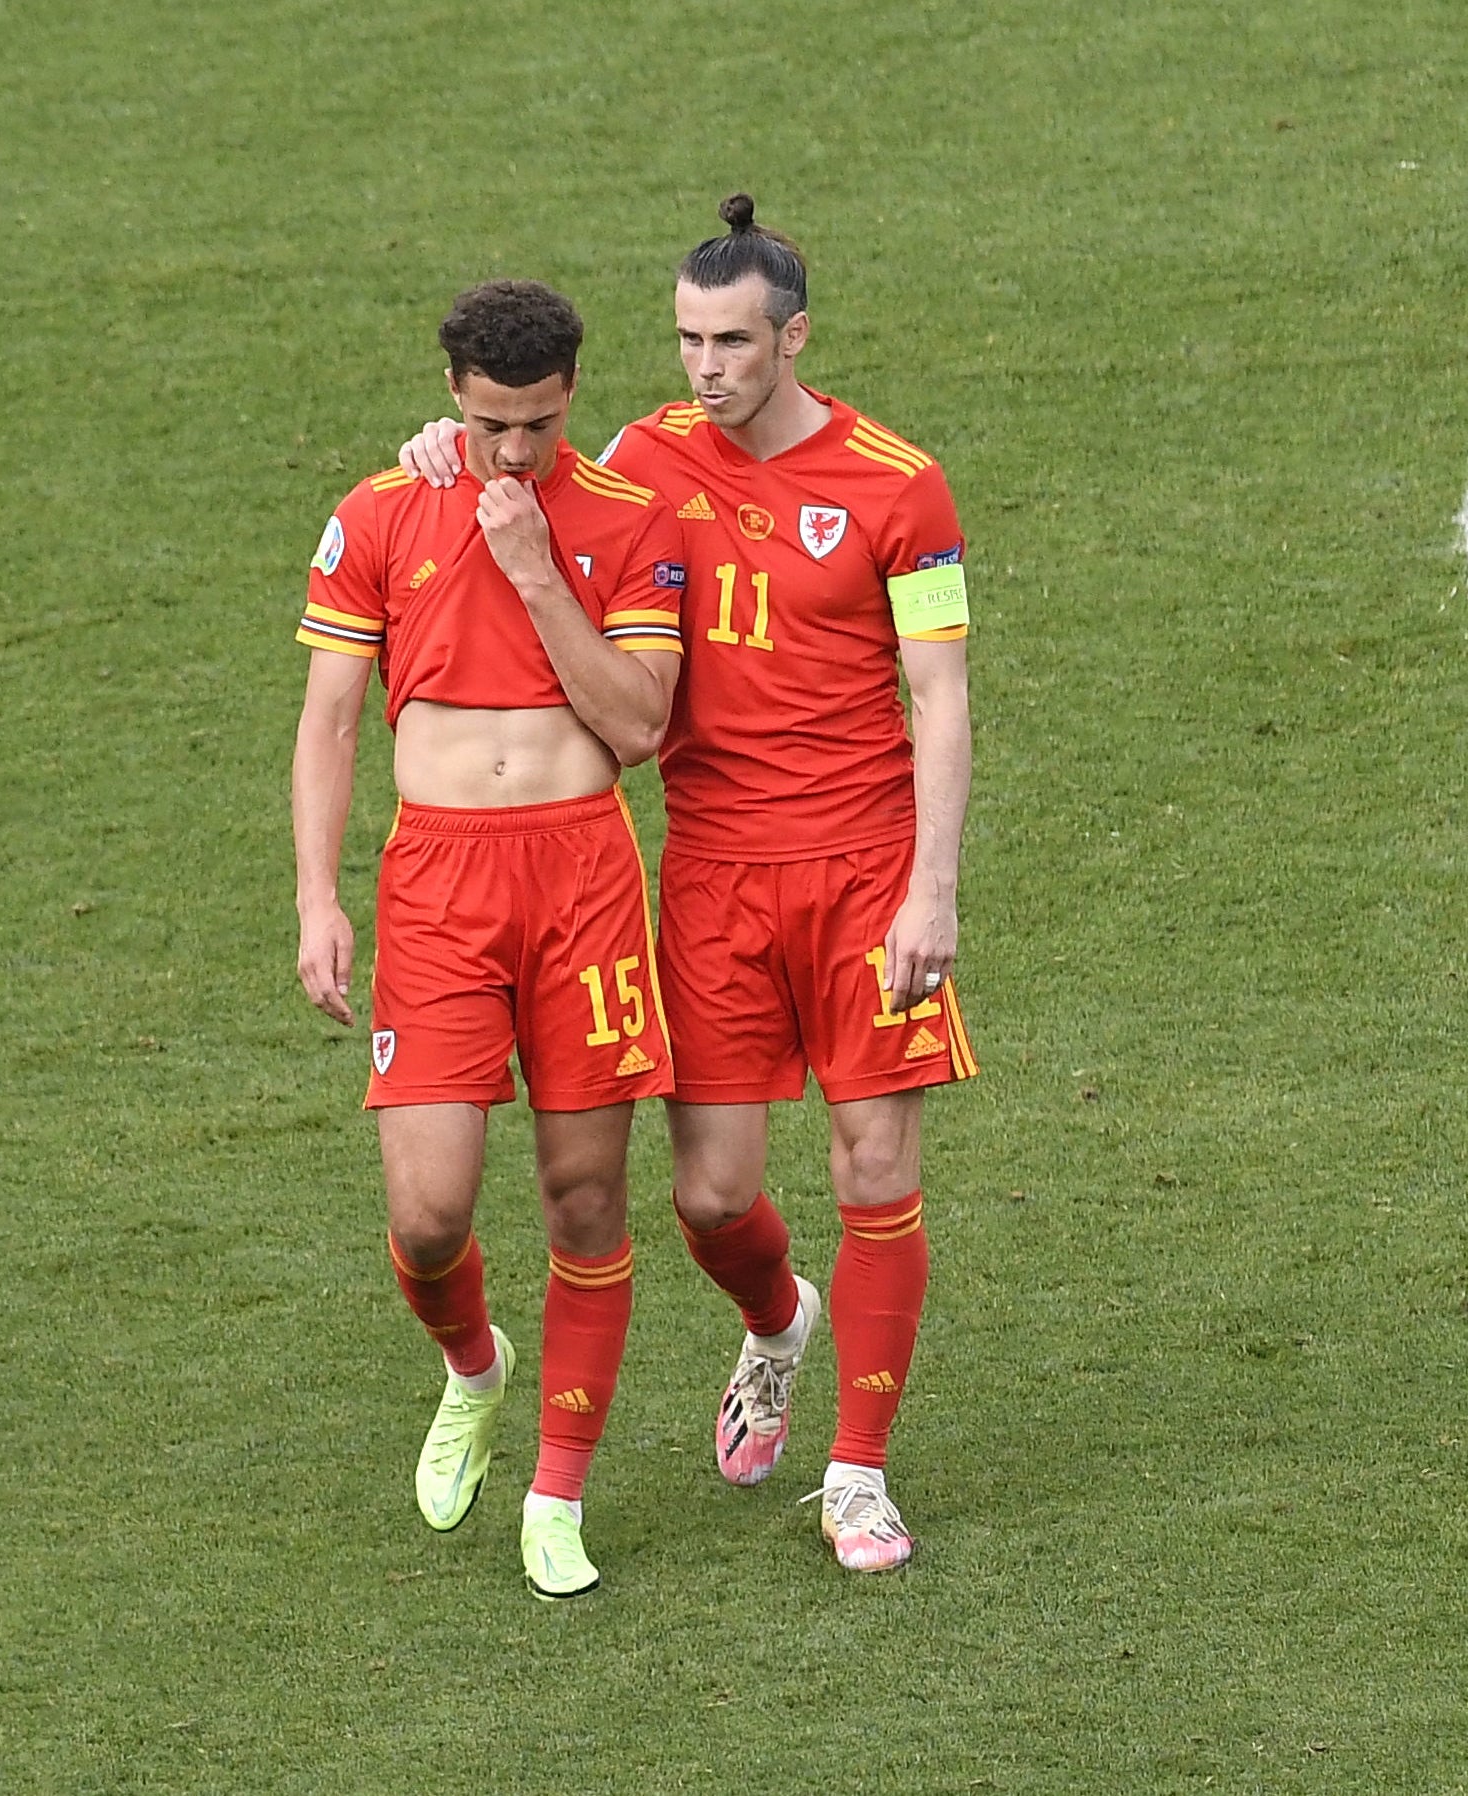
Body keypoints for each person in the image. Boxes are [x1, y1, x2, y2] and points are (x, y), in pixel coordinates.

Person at [400, 197, 975, 1571]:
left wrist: (933, 891)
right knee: (712, 1198)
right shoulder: (649, 454)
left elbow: (940, 696)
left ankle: (856, 1476)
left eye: (728, 341)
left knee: (875, 1162)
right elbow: (528, 490)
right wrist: (434, 448)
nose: (704, 366)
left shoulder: (900, 483)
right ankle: (780, 1325)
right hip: (710, 875)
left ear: (793, 338)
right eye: (684, 339)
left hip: (861, 870)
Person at [292, 279, 688, 1600]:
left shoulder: (630, 519)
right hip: (438, 884)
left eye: (535, 425)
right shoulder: (380, 511)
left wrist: (531, 565)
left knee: (585, 1198)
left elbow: (638, 724)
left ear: (574, 391)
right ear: (450, 396)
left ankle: (558, 1493)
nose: (512, 452)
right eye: (486, 425)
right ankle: (474, 1364)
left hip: (583, 876)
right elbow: (331, 724)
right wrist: (318, 898)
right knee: (429, 1212)